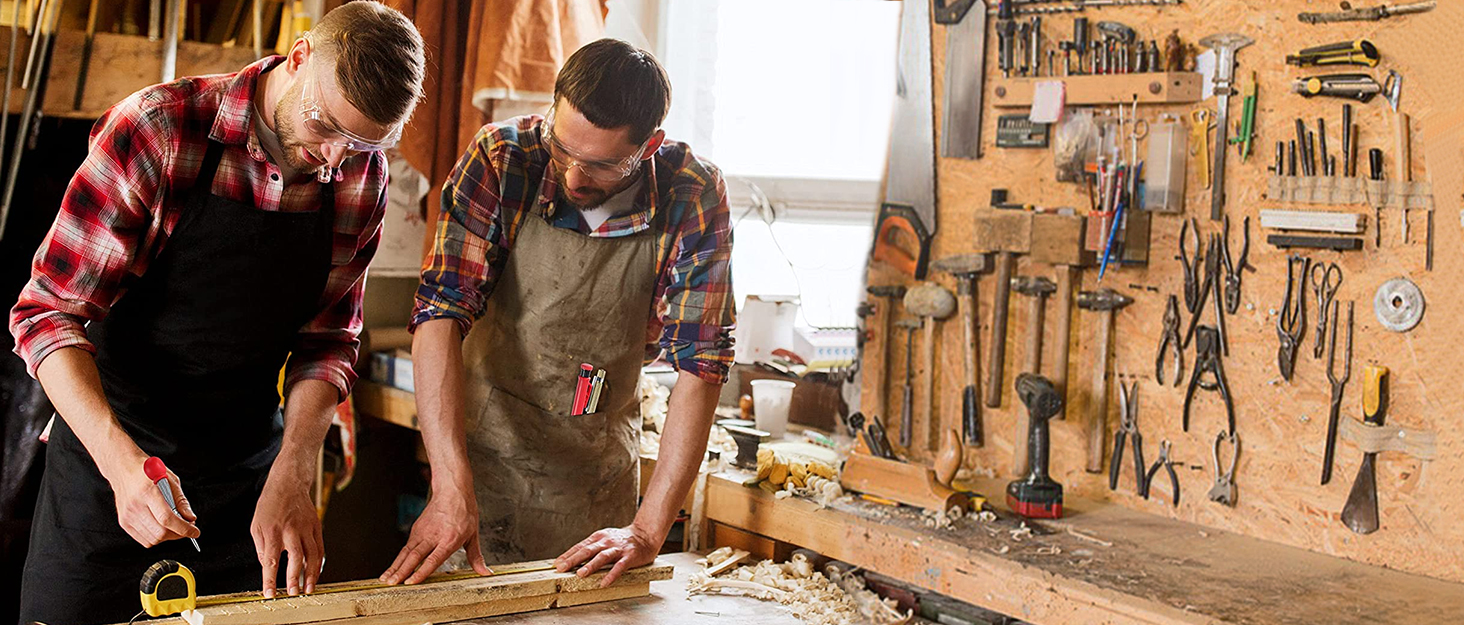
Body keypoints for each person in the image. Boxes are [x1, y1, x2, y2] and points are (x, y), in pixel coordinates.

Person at [9, 3, 425, 623]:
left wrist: (296, 467)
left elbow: (330, 338)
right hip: (111, 461)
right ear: (301, 55)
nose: (334, 157)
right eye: (324, 124)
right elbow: (47, 314)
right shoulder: (160, 129)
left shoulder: (359, 174)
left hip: (245, 478)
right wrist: (122, 465)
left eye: (362, 141)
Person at [384, 38, 734, 588]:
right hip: (479, 470)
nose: (572, 176)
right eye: (561, 147)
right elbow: (439, 314)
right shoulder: (503, 158)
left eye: (599, 165)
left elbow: (703, 361)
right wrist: (450, 488)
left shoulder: (692, 193)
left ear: (649, 147)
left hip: (596, 483)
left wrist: (645, 531)